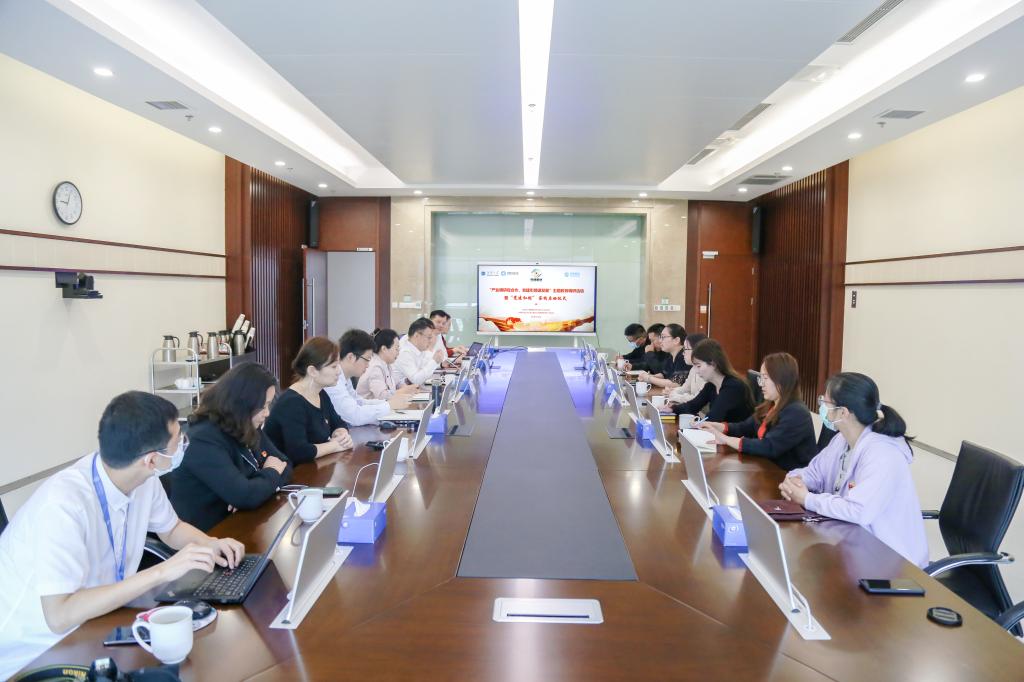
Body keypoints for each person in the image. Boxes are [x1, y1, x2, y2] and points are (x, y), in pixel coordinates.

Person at [0, 392, 245, 677]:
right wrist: (162, 572)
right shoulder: (63, 505)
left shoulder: (140, 476)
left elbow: (171, 529)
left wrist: (211, 544)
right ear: (152, 459)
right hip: (34, 654)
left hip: (95, 621)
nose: (183, 445)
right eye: (179, 440)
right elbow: (59, 616)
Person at [779, 372, 929, 568]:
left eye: (825, 402)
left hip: (894, 561)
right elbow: (815, 472)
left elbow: (859, 510)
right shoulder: (842, 440)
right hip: (855, 544)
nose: (821, 407)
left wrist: (807, 499)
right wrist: (796, 481)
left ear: (843, 412)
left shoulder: (883, 454)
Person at [169, 363, 293, 532]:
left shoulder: (245, 424)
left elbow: (285, 463)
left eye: (269, 405)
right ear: (243, 403)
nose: (267, 413)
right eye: (263, 406)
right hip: (207, 534)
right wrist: (269, 474)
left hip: (239, 522)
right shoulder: (202, 440)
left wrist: (253, 489)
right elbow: (246, 495)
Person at [697, 352, 816, 470]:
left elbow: (769, 447)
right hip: (766, 467)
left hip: (786, 476)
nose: (761, 384)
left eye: (765, 378)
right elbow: (746, 427)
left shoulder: (797, 413)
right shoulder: (771, 405)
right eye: (761, 378)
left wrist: (725, 439)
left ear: (782, 380)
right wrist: (721, 427)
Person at [264, 337, 354, 464]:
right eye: (334, 366)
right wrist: (334, 446)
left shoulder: (321, 393)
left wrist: (341, 435)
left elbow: (338, 423)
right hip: (289, 472)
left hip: (313, 467)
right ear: (312, 371)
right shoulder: (291, 403)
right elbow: (299, 452)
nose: (339, 371)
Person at [325, 329, 415, 426]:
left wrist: (388, 403)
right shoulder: (334, 380)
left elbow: (359, 402)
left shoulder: (345, 377)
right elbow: (354, 416)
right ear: (351, 357)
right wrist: (388, 405)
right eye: (367, 359)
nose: (368, 365)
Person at [665, 339, 753, 422]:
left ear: (713, 363)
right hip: (717, 432)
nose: (696, 371)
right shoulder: (711, 386)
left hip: (734, 433)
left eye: (698, 366)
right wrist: (672, 408)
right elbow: (692, 406)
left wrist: (698, 423)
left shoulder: (733, 386)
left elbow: (713, 418)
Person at [394, 317, 444, 386]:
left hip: (411, 389)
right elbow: (416, 380)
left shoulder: (420, 350)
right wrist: (434, 361)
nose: (430, 341)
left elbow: (428, 362)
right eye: (429, 337)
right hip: (399, 391)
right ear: (416, 335)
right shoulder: (405, 353)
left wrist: (439, 362)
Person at [357, 328, 404, 400]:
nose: (398, 352)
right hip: (370, 406)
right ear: (384, 349)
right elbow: (382, 396)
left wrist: (406, 388)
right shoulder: (375, 367)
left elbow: (397, 383)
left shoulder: (386, 364)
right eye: (396, 349)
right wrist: (402, 391)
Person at [638, 323, 688, 389]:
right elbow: (664, 375)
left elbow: (675, 384)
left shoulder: (684, 356)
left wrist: (649, 378)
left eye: (663, 337)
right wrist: (649, 376)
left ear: (676, 340)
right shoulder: (672, 356)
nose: (660, 341)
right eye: (660, 337)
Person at [667, 333, 708, 404]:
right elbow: (685, 388)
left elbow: (698, 398)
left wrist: (676, 397)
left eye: (685, 349)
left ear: (696, 350)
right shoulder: (693, 369)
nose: (683, 353)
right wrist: (672, 391)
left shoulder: (708, 371)